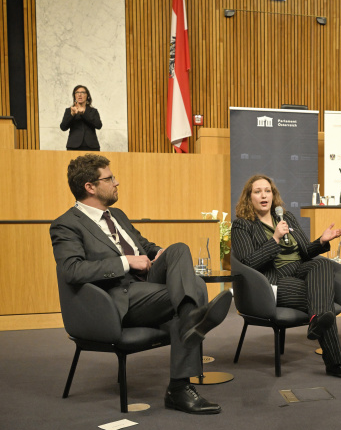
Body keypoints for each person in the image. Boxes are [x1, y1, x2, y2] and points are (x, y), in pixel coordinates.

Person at [51, 154, 232, 414]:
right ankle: (180, 385)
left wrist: (158, 253)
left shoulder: (117, 215)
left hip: (148, 285)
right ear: (90, 187)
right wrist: (126, 262)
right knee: (194, 289)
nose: (116, 182)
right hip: (120, 298)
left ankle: (189, 316)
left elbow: (143, 245)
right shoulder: (66, 224)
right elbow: (72, 270)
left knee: (178, 250)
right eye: (109, 178)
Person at [231, 175, 341, 377]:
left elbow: (305, 251)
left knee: (323, 264)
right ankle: (336, 361)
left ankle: (316, 320)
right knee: (323, 297)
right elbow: (248, 263)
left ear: (273, 195)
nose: (264, 196)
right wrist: (275, 239)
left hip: (299, 269)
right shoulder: (242, 225)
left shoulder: (286, 217)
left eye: (267, 191)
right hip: (272, 281)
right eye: (258, 192)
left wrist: (321, 241)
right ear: (249, 197)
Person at [60, 85, 102, 151]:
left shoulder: (93, 111)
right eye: (77, 92)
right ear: (74, 96)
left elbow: (98, 125)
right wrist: (72, 115)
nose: (79, 95)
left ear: (87, 96)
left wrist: (84, 113)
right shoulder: (69, 110)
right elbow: (63, 127)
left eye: (82, 92)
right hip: (73, 147)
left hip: (91, 147)